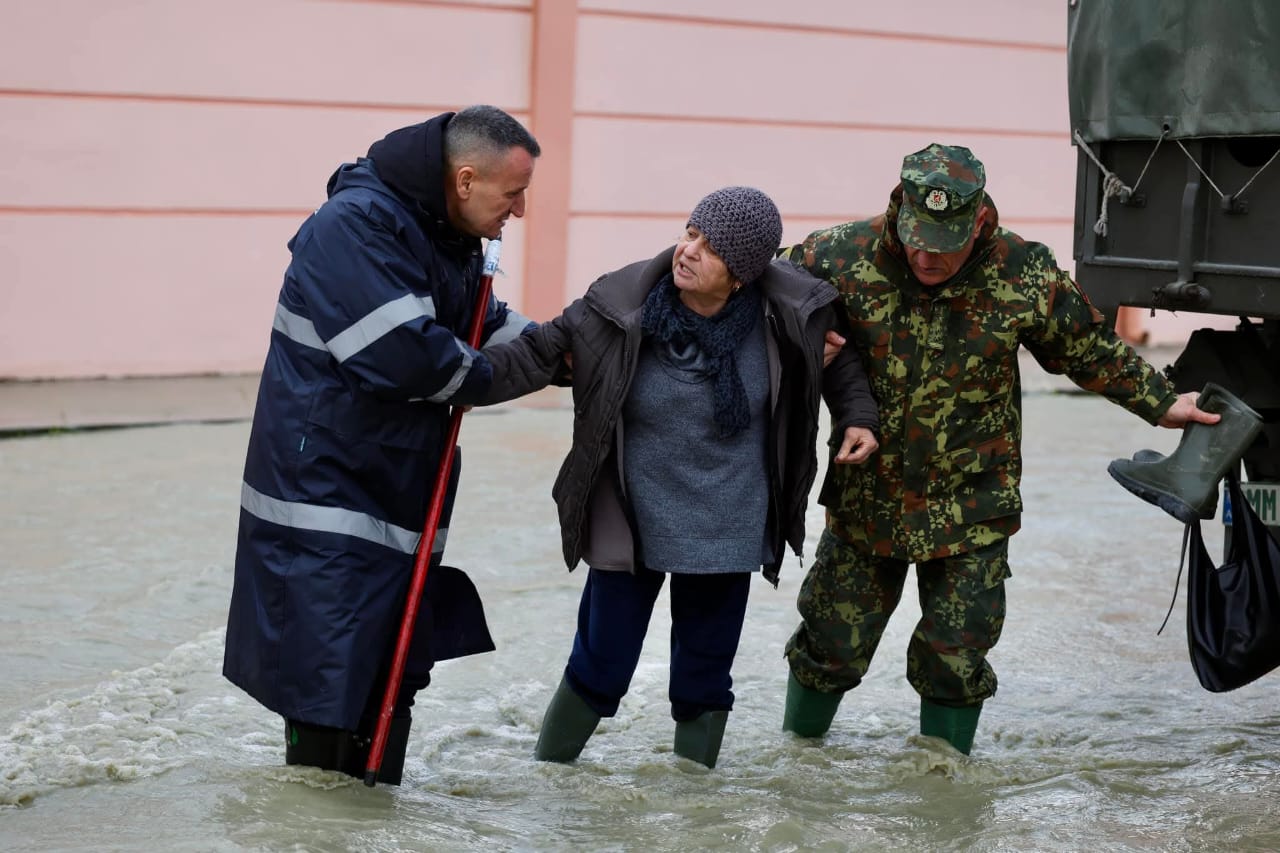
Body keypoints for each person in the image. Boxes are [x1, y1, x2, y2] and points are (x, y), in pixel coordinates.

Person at [778, 143, 1223, 756]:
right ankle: (798, 762)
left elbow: (1086, 347)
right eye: (917, 238)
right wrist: (798, 348)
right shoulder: (838, 254)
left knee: (957, 658)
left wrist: (1161, 402)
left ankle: (943, 790)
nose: (927, 256)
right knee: (828, 643)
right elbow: (764, 299)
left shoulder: (1022, 271)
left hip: (973, 506)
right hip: (867, 497)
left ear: (979, 222)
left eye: (945, 243)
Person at [479, 186, 880, 768]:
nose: (688, 250)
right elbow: (534, 354)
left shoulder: (786, 319)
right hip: (632, 515)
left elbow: (839, 361)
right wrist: (456, 382)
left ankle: (693, 806)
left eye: (711, 248)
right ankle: (551, 783)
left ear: (741, 275)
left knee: (703, 676)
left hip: (729, 520)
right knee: (600, 664)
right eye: (690, 232)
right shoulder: (617, 309)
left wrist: (858, 418)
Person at [222, 105, 541, 785]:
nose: (520, 209)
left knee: (390, 677)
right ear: (463, 179)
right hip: (325, 503)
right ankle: (318, 828)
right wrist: (511, 372)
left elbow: (484, 322)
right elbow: (409, 358)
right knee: (327, 680)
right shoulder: (354, 227)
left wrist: (574, 350)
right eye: (512, 194)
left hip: (393, 495)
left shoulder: (440, 231)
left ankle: (364, 815)